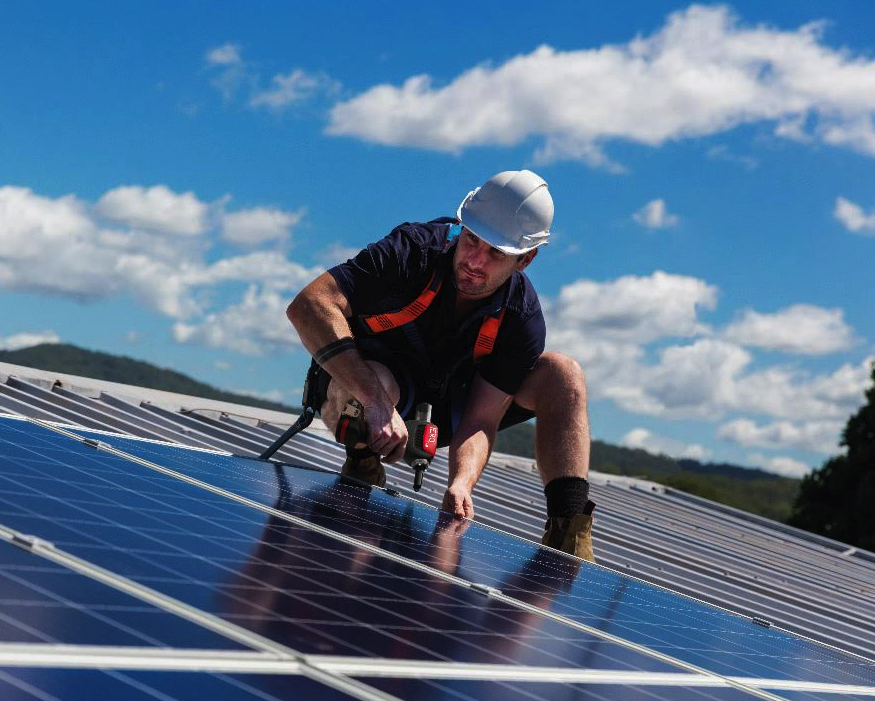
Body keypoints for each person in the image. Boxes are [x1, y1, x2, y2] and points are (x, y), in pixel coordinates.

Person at [287, 170, 595, 561]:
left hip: (449, 408)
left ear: (526, 260)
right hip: (373, 387)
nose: (474, 261)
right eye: (471, 241)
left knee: (563, 374)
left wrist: (462, 483)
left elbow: (481, 420)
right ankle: (363, 460)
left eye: (495, 254)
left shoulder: (521, 318)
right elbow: (309, 305)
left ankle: (568, 539)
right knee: (378, 385)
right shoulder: (413, 251)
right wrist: (377, 402)